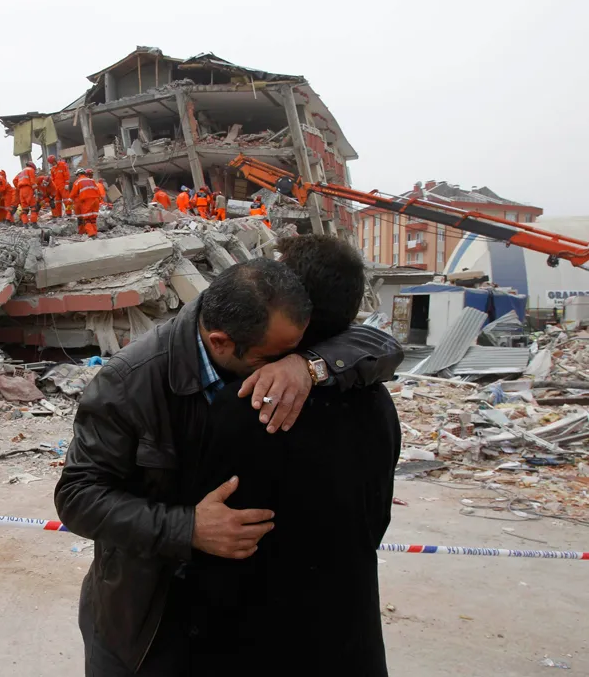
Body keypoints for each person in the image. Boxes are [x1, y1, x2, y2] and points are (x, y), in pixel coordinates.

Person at [53, 257, 403, 677]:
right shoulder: (130, 382)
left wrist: (309, 366)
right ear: (220, 342)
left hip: (224, 622)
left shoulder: (267, 334)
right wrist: (188, 527)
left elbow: (377, 344)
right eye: (272, 357)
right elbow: (77, 497)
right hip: (145, 614)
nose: (279, 369)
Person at [190, 235, 399, 675]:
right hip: (352, 637)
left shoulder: (245, 405)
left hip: (259, 642)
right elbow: (377, 515)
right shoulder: (377, 401)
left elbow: (215, 542)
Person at [70, 168, 100, 237]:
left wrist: (69, 202)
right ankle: (95, 232)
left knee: (87, 219)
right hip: (96, 200)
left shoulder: (78, 182)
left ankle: (91, 233)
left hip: (87, 201)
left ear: (79, 174)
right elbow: (97, 191)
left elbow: (73, 193)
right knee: (93, 218)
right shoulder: (92, 180)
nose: (77, 177)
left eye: (77, 175)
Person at [13, 161, 39, 225]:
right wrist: (36, 190)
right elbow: (33, 181)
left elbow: (14, 180)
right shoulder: (31, 170)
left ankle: (25, 224)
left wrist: (18, 188)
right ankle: (34, 223)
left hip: (21, 191)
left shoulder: (21, 172)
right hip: (28, 189)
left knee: (24, 209)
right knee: (33, 207)